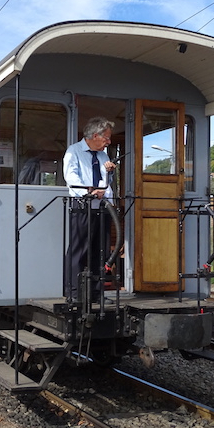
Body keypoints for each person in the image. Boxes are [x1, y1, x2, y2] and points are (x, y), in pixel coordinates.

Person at [62, 116, 117, 303]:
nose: (108, 142)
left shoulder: (103, 156)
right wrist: (91, 192)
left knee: (100, 250)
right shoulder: (74, 152)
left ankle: (96, 293)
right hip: (82, 207)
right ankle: (74, 293)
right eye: (106, 138)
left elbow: (106, 183)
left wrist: (110, 173)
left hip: (102, 208)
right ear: (95, 135)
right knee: (79, 250)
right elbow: (72, 179)